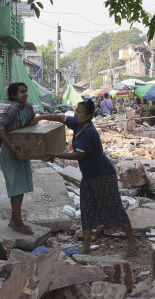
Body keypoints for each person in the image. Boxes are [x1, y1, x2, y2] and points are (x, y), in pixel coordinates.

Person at [44, 99, 138, 255]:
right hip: (88, 176)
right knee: (86, 209)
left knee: (114, 208)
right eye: (76, 111)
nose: (76, 114)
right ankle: (86, 247)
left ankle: (132, 242)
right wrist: (41, 117)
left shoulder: (89, 132)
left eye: (80, 112)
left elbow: (79, 155)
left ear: (88, 116)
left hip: (102, 174)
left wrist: (55, 154)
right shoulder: (77, 124)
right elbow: (61, 118)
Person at [0, 83, 66, 235]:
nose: (25, 94)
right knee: (15, 188)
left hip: (22, 151)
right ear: (13, 95)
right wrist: (10, 146)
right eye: (21, 92)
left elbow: (32, 128)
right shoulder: (12, 108)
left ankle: (14, 220)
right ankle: (18, 223)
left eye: (26, 91)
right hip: (10, 152)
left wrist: (43, 150)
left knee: (21, 187)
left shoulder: (27, 107)